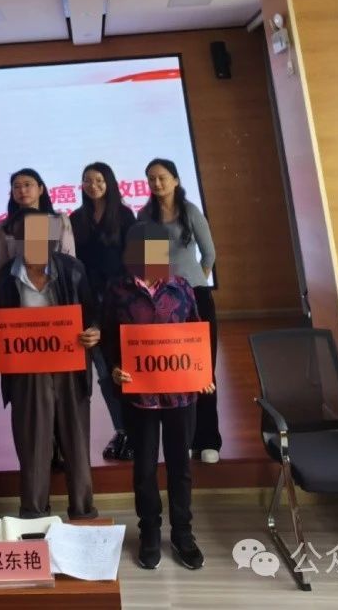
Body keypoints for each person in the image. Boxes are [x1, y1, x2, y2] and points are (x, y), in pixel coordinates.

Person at [102, 221, 214, 571]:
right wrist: (115, 368)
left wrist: (203, 374)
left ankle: (183, 534)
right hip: (140, 396)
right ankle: (149, 532)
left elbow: (196, 333)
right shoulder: (117, 291)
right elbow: (108, 339)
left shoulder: (181, 287)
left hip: (180, 395)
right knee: (145, 468)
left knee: (181, 467)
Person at [0, 209, 100, 520]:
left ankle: (83, 515)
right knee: (33, 446)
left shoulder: (73, 269)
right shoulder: (4, 277)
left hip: (70, 367)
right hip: (26, 372)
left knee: (76, 445)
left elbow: (92, 313)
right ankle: (33, 517)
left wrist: (94, 331)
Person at [137, 157, 220, 463]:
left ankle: (208, 440)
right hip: (163, 302)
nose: (157, 183)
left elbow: (209, 254)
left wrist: (192, 285)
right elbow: (151, 263)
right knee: (174, 370)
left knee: (203, 367)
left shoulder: (190, 211)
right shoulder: (145, 216)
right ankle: (182, 439)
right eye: (151, 179)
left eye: (162, 177)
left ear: (175, 180)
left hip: (195, 296)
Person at [70, 162, 136, 461]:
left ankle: (136, 429)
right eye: (87, 180)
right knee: (104, 372)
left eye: (98, 180)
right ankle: (122, 429)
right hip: (90, 306)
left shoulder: (125, 215)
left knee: (126, 368)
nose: (92, 185)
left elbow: (136, 261)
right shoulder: (75, 218)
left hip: (121, 304)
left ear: (109, 182)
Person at [0, 168, 76, 273]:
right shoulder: (6, 225)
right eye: (16, 187)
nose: (22, 190)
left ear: (40, 189)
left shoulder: (58, 220)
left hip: (55, 280)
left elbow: (69, 259)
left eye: (27, 185)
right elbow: (0, 263)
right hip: (16, 280)